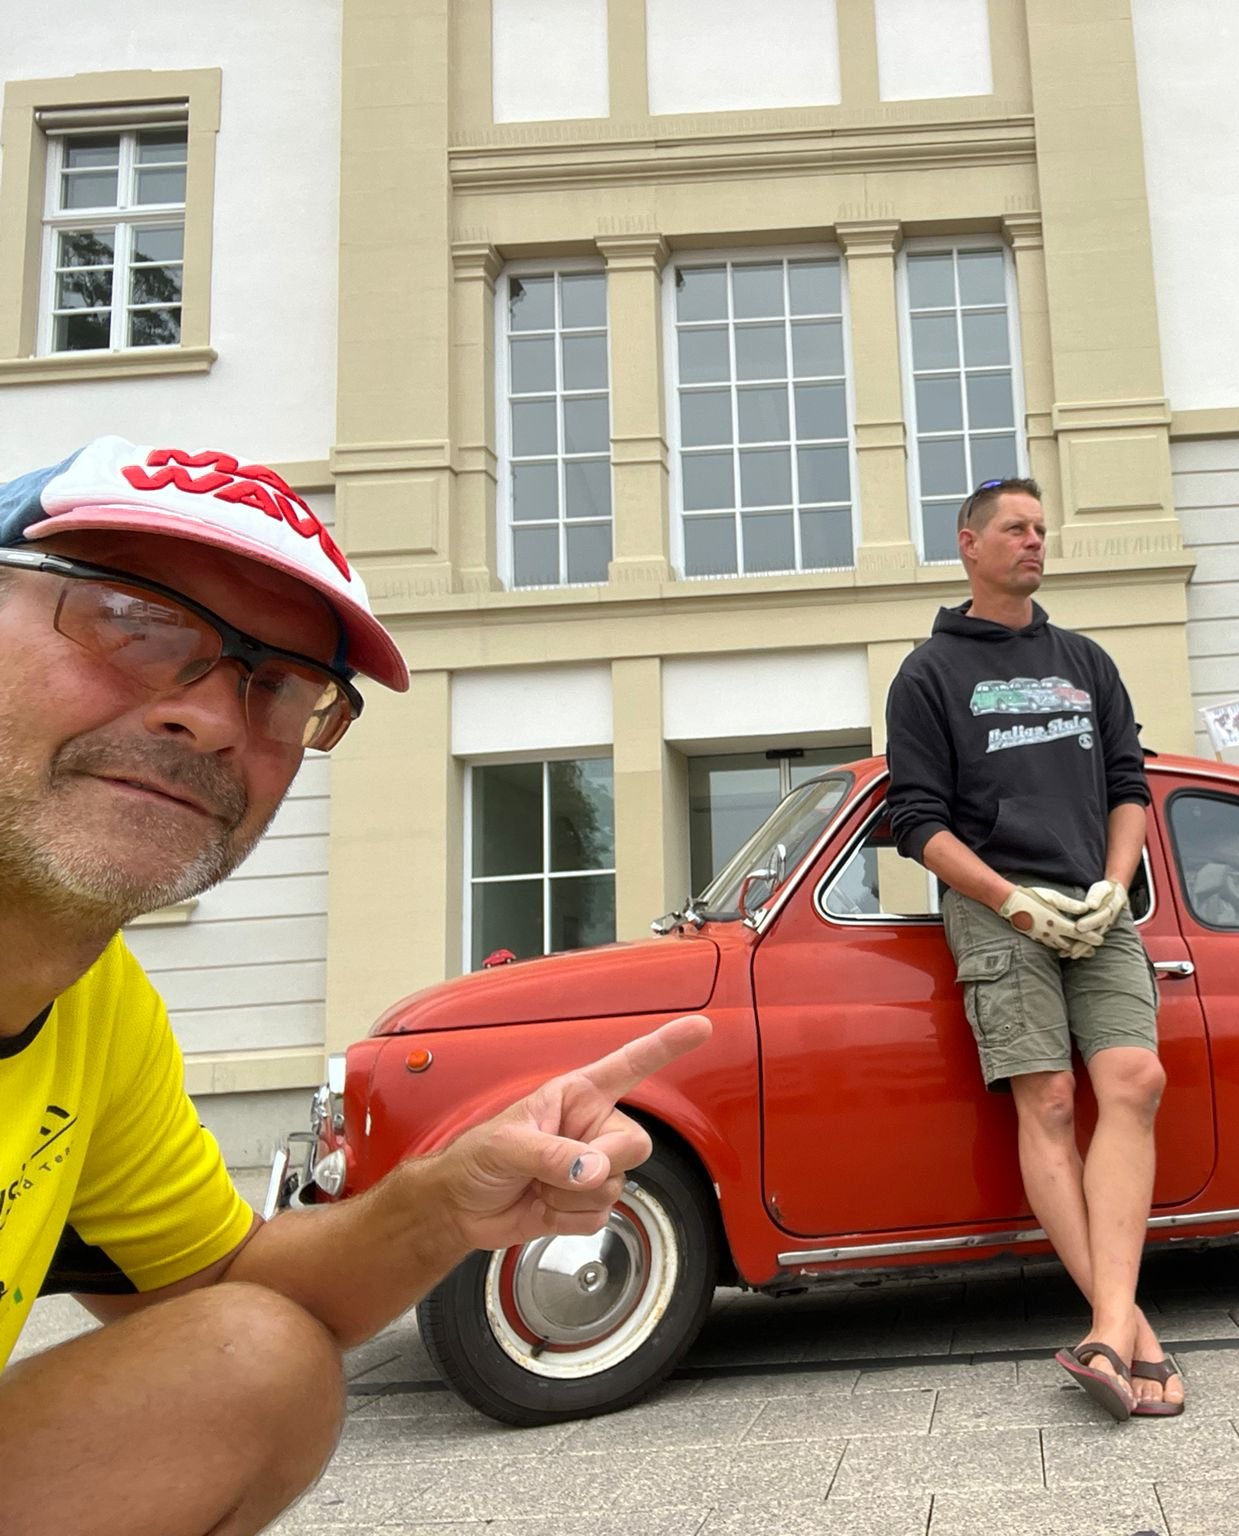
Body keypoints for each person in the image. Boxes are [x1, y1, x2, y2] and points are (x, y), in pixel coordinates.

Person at [0, 437, 709, 1534]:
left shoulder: (97, 998)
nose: (218, 722)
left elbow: (227, 1291)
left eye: (281, 686)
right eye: (132, 621)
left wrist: (445, 1197)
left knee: (252, 1361)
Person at [883, 477, 1181, 1421]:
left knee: (1134, 1081)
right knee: (1049, 1099)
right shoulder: (927, 674)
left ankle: (1107, 1324)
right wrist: (1012, 902)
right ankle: (1130, 1335)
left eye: (1042, 529)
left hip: (1097, 909)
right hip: (997, 909)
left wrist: (1113, 883)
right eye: (1015, 528)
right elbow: (916, 824)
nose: (1034, 542)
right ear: (967, 544)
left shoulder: (1086, 661)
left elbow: (1130, 784)